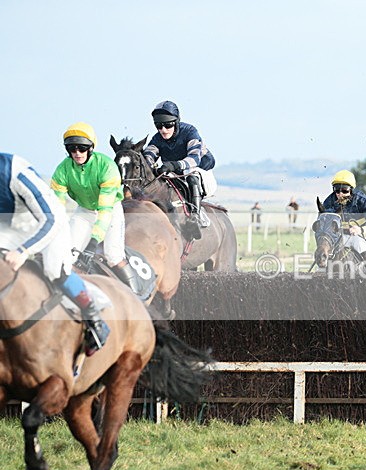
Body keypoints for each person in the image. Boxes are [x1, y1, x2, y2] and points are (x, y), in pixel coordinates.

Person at [1, 152, 109, 355]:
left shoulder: (15, 171)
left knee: (55, 269)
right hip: (10, 228)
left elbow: (51, 220)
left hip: (49, 222)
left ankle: (95, 319)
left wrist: (23, 251)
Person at [50, 122, 141, 293]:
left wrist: (93, 242)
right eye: (72, 149)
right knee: (68, 254)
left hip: (110, 210)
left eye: (82, 148)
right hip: (84, 211)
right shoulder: (62, 170)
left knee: (113, 255)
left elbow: (104, 211)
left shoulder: (107, 167)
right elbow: (57, 207)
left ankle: (135, 296)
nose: (77, 153)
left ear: (91, 148)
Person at [143, 100, 217, 237]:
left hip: (201, 168)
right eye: (158, 126)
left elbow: (194, 159)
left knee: (192, 176)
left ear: (176, 122)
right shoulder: (157, 138)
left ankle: (195, 216)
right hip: (177, 172)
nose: (163, 130)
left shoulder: (190, 132)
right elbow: (149, 155)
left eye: (168, 125)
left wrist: (174, 165)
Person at [319, 170, 366, 258]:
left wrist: (361, 230)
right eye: (337, 190)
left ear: (351, 190)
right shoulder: (329, 202)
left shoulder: (362, 200)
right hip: (338, 237)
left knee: (359, 244)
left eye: (344, 190)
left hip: (359, 236)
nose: (340, 194)